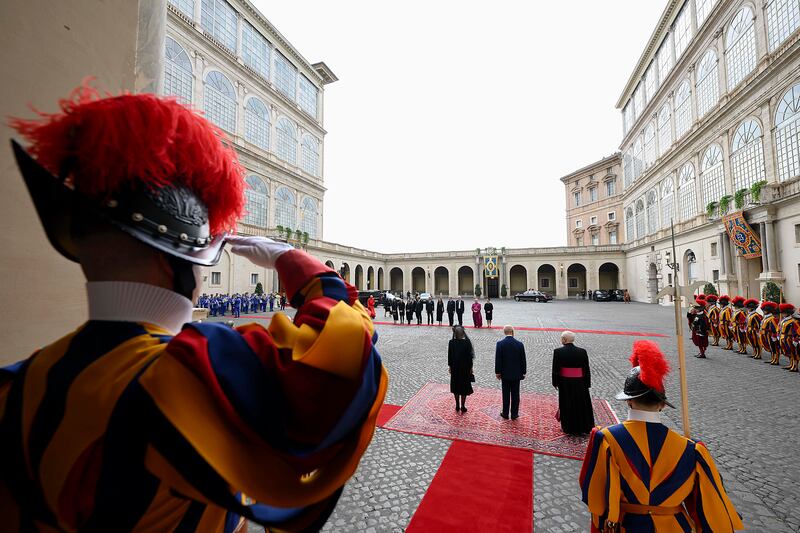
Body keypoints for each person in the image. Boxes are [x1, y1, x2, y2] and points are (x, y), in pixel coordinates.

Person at [0, 87, 388, 531]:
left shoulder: (19, 384)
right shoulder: (182, 373)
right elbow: (347, 358)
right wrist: (298, 264)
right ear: (179, 265)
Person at [579, 340, 744, 532]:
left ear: (628, 402)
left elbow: (594, 494)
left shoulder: (607, 439)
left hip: (627, 526)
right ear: (663, 405)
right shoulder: (692, 450)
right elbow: (709, 506)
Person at [552, 331, 594, 434]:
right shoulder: (582, 351)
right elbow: (586, 369)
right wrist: (587, 383)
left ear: (564, 340)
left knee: (567, 403)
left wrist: (555, 382)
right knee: (581, 404)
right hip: (580, 382)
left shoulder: (558, 351)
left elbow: (556, 369)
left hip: (565, 383)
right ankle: (583, 426)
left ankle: (568, 427)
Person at [495, 325, 527, 420]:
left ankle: (505, 413)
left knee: (505, 394)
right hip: (517, 374)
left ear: (504, 332)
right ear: (512, 331)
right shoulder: (519, 344)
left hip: (505, 374)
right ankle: (514, 414)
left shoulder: (500, 344)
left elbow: (498, 359)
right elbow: (523, 359)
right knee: (515, 394)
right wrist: (523, 371)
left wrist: (497, 372)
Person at [448, 325, 474, 413]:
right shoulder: (467, 342)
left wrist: (450, 367)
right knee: (464, 387)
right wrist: (471, 367)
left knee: (455, 386)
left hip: (455, 367)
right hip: (465, 368)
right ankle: (463, 406)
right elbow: (470, 357)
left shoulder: (451, 342)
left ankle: (457, 405)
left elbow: (449, 356)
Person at [778, 303, 797, 370]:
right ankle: (791, 364)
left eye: (784, 313)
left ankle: (795, 366)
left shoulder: (792, 321)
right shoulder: (784, 320)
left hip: (789, 338)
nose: (782, 314)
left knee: (793, 352)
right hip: (784, 337)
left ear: (788, 313)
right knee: (788, 351)